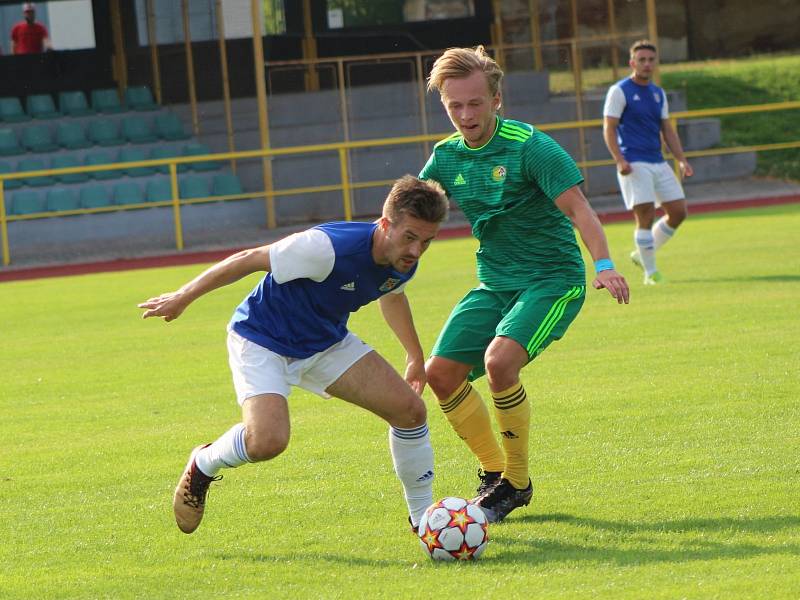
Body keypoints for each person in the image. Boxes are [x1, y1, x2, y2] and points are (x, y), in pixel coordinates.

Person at [138, 175, 449, 535]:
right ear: (384, 224)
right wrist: (183, 296)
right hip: (261, 340)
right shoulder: (325, 248)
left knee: (410, 411)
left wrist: (414, 355)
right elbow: (249, 258)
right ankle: (204, 462)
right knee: (267, 441)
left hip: (325, 342)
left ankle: (425, 521)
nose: (416, 250)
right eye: (409, 237)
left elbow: (392, 295)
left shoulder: (403, 261)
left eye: (426, 241)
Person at [420, 45, 629, 524]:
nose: (465, 115)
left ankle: (516, 482)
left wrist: (604, 265)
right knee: (440, 374)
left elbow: (579, 209)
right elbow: (412, 211)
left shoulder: (531, 146)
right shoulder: (446, 157)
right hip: (494, 285)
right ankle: (495, 473)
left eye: (475, 103)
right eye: (455, 105)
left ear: (496, 99)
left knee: (500, 361)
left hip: (551, 281)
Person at [603, 39, 693, 285]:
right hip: (633, 161)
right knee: (645, 215)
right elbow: (609, 128)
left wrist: (681, 160)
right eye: (641, 60)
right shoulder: (619, 91)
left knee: (678, 211)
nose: (647, 64)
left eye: (651, 60)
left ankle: (641, 255)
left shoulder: (657, 93)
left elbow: (667, 130)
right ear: (632, 63)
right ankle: (650, 273)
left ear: (656, 63)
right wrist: (619, 160)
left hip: (657, 160)